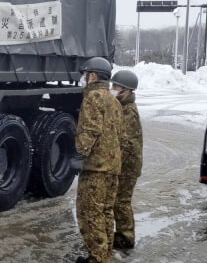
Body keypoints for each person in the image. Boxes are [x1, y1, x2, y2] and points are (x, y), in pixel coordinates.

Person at [70, 57, 122, 263]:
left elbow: (90, 129)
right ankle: (104, 254)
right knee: (106, 212)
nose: (84, 79)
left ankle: (97, 259)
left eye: (86, 75)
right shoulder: (114, 100)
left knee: (90, 214)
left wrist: (79, 155)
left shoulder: (93, 97)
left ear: (93, 76)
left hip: (96, 168)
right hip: (111, 168)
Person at [110, 70, 142, 250]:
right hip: (124, 163)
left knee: (121, 201)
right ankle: (122, 234)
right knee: (117, 201)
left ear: (127, 90)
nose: (112, 89)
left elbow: (124, 142)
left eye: (116, 86)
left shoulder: (129, 111)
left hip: (128, 165)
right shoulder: (121, 106)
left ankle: (126, 237)